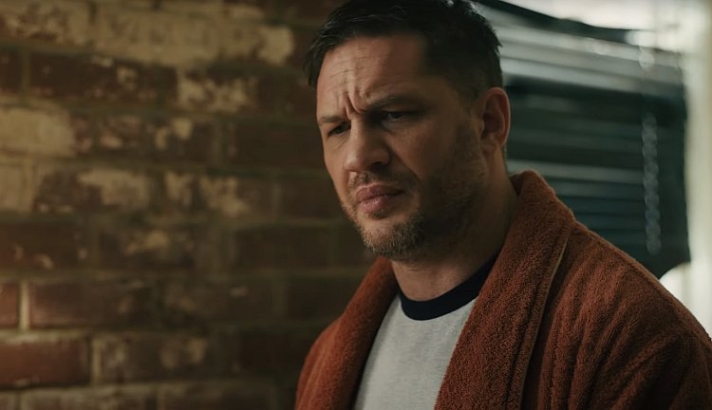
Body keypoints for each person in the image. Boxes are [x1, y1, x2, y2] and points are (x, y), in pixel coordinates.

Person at [295, 0, 712, 408]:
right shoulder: (328, 357)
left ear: (489, 123)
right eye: (338, 128)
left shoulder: (633, 338)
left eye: (394, 113)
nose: (358, 157)